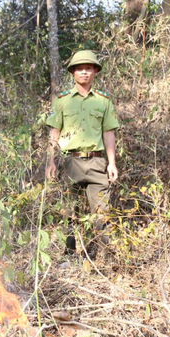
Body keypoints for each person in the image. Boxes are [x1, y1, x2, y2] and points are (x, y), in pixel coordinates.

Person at [45, 50, 120, 255]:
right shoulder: (62, 99)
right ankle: (68, 255)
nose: (84, 72)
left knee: (101, 213)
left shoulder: (103, 100)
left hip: (96, 163)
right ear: (73, 73)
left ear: (95, 71)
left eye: (88, 68)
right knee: (68, 212)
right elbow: (55, 131)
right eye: (80, 69)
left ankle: (100, 257)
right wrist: (51, 162)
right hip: (70, 162)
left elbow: (108, 133)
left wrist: (111, 163)